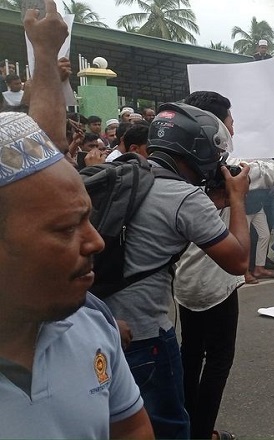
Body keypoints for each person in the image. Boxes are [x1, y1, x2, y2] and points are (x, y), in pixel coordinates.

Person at [1, 2, 153, 437]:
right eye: (66, 229)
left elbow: (131, 429)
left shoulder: (92, 320)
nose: (96, 242)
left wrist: (45, 55)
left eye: (87, 220)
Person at [102, 103, 253, 439]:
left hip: (100, 324)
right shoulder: (184, 196)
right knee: (169, 428)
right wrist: (237, 198)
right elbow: (238, 260)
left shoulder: (123, 172)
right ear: (197, 150)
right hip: (145, 335)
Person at [175, 90, 274, 439]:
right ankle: (202, 432)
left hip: (184, 285)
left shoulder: (174, 170)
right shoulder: (231, 171)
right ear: (215, 128)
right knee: (218, 361)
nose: (233, 129)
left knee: (190, 355)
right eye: (229, 123)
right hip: (217, 283)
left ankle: (186, 427)